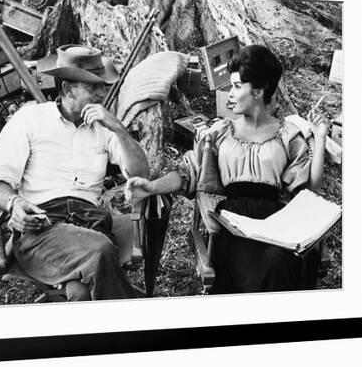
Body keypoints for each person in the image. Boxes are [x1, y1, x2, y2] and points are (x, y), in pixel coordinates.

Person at [126, 45, 328, 294]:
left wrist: (320, 139)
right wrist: (151, 187)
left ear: (258, 91)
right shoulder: (220, 134)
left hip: (274, 223)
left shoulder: (286, 135)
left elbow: (310, 189)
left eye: (236, 86)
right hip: (232, 223)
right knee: (252, 268)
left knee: (280, 262)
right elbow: (186, 173)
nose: (229, 94)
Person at [0, 44, 149, 301]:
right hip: (43, 228)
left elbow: (141, 173)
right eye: (93, 87)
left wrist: (118, 128)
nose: (103, 93)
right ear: (67, 89)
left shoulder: (103, 127)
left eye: (104, 85)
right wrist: (14, 203)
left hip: (91, 225)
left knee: (80, 293)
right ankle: (131, 320)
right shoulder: (30, 120)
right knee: (101, 251)